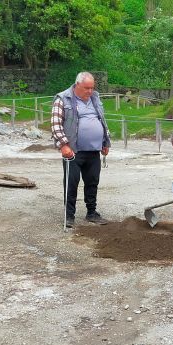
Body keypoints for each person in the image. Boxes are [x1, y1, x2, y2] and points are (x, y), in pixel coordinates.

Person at [51, 72, 111, 228]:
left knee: (92, 182)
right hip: (73, 151)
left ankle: (91, 213)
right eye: (86, 88)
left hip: (93, 151)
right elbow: (56, 125)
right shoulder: (63, 99)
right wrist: (63, 145)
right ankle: (69, 216)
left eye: (92, 88)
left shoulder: (95, 98)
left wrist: (105, 142)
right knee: (71, 182)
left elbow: (102, 120)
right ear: (77, 85)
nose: (90, 91)